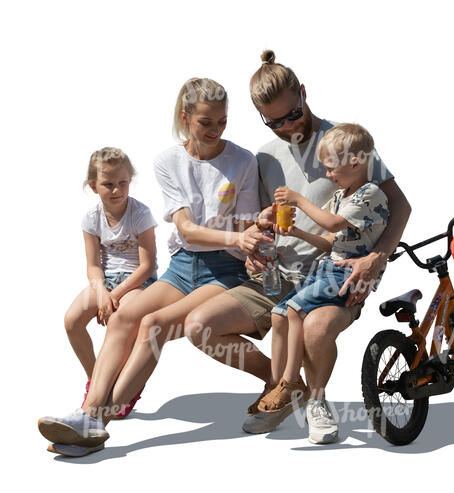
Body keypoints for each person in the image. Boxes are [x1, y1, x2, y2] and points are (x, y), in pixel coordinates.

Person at [183, 50, 411, 444]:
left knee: (315, 329)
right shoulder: (265, 156)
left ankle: (317, 401)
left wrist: (377, 258)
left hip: (336, 272)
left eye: (293, 114)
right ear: (260, 118)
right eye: (275, 122)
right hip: (275, 276)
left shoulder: (345, 142)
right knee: (199, 327)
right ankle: (285, 387)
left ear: (304, 93)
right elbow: (256, 219)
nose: (288, 126)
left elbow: (400, 205)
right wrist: (257, 235)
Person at [38, 78, 266, 457]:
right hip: (182, 266)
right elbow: (186, 228)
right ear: (185, 117)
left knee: (153, 326)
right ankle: (88, 415)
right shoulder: (167, 161)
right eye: (205, 122)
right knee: (124, 319)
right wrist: (235, 237)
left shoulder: (243, 161)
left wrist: (251, 237)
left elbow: (244, 227)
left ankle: (95, 421)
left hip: (225, 269)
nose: (215, 131)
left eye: (222, 122)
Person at [258, 123, 389, 418]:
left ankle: (292, 382)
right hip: (327, 266)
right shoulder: (343, 195)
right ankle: (276, 386)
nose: (328, 175)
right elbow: (330, 240)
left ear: (355, 162)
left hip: (346, 274)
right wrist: (295, 234)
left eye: (331, 168)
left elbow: (332, 225)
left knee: (294, 309)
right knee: (279, 315)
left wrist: (298, 200)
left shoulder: (369, 194)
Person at [66, 147, 157, 417]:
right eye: (108, 185)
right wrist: (101, 291)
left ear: (130, 181)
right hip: (105, 282)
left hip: (136, 283)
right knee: (71, 321)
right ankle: (96, 381)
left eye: (123, 183)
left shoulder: (140, 214)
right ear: (93, 186)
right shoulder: (91, 219)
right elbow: (93, 265)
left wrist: (114, 295)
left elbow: (147, 265)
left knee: (122, 323)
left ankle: (125, 388)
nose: (117, 190)